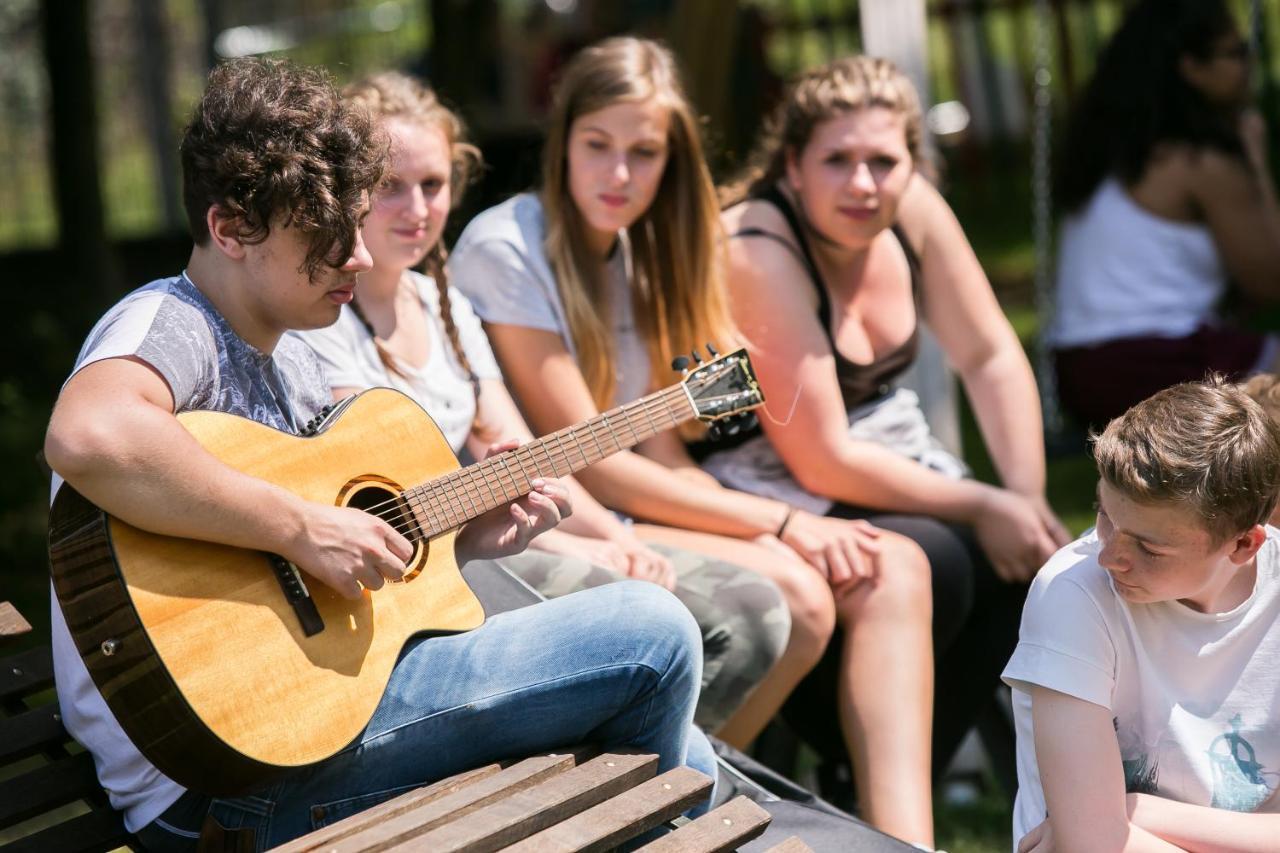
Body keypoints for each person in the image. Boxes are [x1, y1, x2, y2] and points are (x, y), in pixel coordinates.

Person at [42, 58, 714, 852]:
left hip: (319, 721)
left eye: (355, 226)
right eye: (323, 238)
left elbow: (347, 557)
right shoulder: (166, 324)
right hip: (225, 784)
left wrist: (462, 534)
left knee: (691, 752)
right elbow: (88, 434)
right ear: (228, 229)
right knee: (652, 633)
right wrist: (297, 526)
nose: (356, 257)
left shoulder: (299, 353)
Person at [449, 37, 936, 846]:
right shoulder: (507, 246)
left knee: (838, 578)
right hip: (544, 514)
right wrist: (780, 524)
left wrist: (760, 516)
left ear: (672, 161)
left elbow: (661, 448)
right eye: (597, 146)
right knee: (803, 599)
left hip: (620, 502)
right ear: (561, 139)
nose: (619, 175)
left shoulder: (640, 250)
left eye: (644, 153)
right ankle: (645, 807)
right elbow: (589, 454)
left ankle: (711, 805)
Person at [292, 70, 788, 734]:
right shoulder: (321, 319)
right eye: (388, 187)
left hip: (480, 540)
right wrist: (588, 553)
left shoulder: (447, 308)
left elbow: (527, 455)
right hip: (412, 578)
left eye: (433, 186)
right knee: (644, 619)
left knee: (751, 607)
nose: (415, 209)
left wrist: (614, 538)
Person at [711, 53, 1071, 819]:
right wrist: (982, 504)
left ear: (913, 162)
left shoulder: (914, 210)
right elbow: (822, 455)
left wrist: (1026, 500)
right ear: (793, 166)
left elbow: (990, 352)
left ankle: (882, 787)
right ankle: (867, 784)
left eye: (884, 160)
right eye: (837, 160)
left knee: (1031, 565)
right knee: (945, 556)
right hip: (766, 478)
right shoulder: (756, 248)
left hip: (882, 454)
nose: (864, 183)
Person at [1003, 378, 1280, 852]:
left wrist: (1138, 809)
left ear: (1241, 544)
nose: (1110, 557)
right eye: (1104, 515)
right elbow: (1090, 842)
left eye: (1150, 548)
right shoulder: (1073, 592)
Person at [1049, 0, 1280, 428]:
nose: (1247, 63)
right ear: (1191, 66)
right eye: (1235, 52)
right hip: (1156, 365)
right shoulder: (1199, 161)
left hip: (1080, 372)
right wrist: (1258, 164)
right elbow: (1270, 280)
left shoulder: (1109, 157)